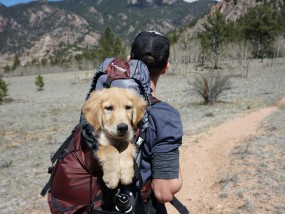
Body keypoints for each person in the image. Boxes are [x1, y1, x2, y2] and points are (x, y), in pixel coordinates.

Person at [130, 31, 183, 213]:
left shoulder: (102, 100)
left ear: (129, 60)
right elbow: (164, 192)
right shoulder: (166, 116)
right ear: (165, 68)